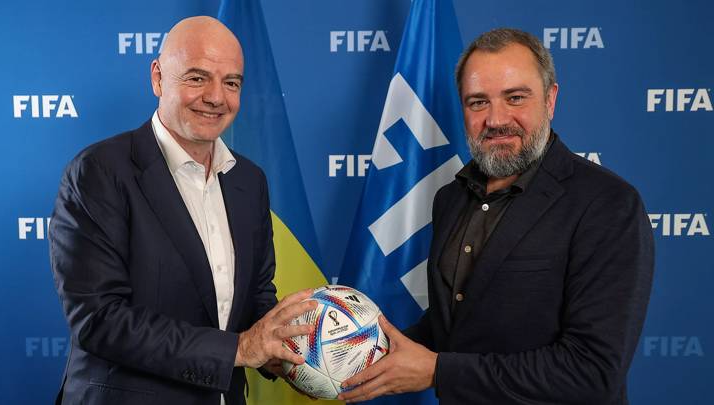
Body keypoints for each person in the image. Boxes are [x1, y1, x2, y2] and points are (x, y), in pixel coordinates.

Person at [339, 28, 654, 404]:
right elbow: (456, 327)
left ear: (551, 100)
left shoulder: (608, 204)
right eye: (477, 103)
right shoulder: (450, 198)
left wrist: (438, 371)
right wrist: (355, 351)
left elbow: (592, 371)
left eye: (515, 97)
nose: (496, 119)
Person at [49, 16, 315, 405]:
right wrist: (240, 349)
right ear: (158, 77)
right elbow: (100, 318)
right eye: (197, 77)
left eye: (231, 83)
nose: (216, 97)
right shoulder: (98, 172)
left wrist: (280, 350)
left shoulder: (249, 180)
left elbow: (256, 295)